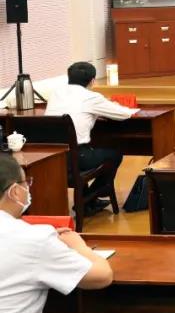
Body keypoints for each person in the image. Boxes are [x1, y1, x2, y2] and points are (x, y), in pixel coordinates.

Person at [0, 153, 145, 313]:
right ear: (15, 191)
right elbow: (102, 276)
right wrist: (79, 246)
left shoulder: (32, 237)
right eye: (26, 183)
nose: (28, 189)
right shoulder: (33, 238)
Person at [44, 62, 136, 215]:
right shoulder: (91, 97)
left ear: (69, 77)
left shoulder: (55, 94)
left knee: (90, 149)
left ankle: (88, 201)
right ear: (93, 81)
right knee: (115, 154)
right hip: (77, 157)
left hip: (53, 157)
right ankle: (89, 197)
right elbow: (124, 114)